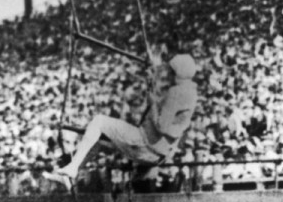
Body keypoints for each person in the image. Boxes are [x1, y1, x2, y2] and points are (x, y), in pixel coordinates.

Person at [46, 52, 199, 187]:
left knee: (99, 121)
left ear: (179, 73)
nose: (170, 74)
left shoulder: (176, 92)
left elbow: (161, 125)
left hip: (146, 144)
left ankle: (72, 168)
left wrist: (152, 103)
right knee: (98, 140)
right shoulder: (190, 92)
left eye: (172, 71)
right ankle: (72, 173)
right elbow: (164, 111)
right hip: (160, 153)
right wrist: (151, 84)